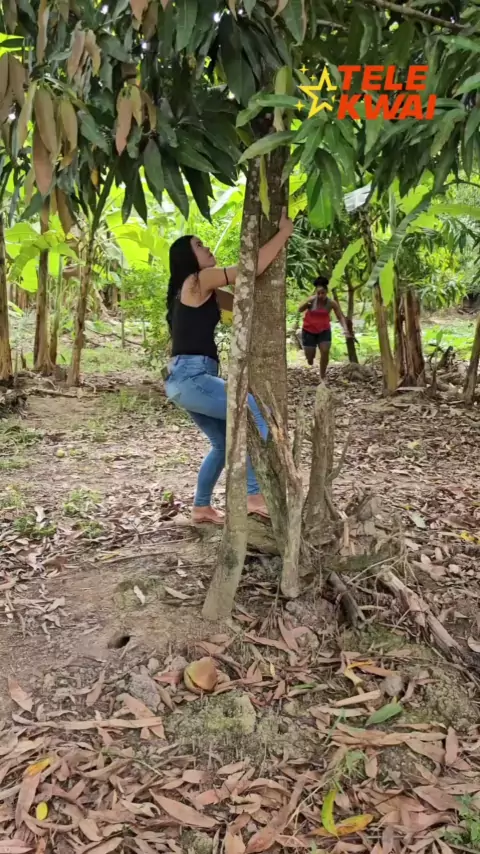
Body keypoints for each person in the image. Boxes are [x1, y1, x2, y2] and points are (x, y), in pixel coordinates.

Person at [164, 209, 294, 526]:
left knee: (222, 444)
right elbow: (252, 268)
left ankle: (201, 508)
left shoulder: (200, 291)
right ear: (187, 258)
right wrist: (284, 233)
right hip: (193, 377)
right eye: (199, 245)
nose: (207, 247)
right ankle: (253, 496)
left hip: (184, 380)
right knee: (256, 412)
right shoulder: (198, 279)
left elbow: (244, 302)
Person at [298, 276, 350, 379]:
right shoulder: (311, 300)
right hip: (309, 330)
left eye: (323, 293)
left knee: (325, 351)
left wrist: (345, 329)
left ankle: (322, 376)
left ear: (326, 292)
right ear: (316, 293)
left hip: (324, 330)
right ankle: (310, 358)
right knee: (310, 358)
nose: (320, 295)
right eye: (318, 293)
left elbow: (340, 316)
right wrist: (306, 304)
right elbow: (300, 309)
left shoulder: (331, 303)